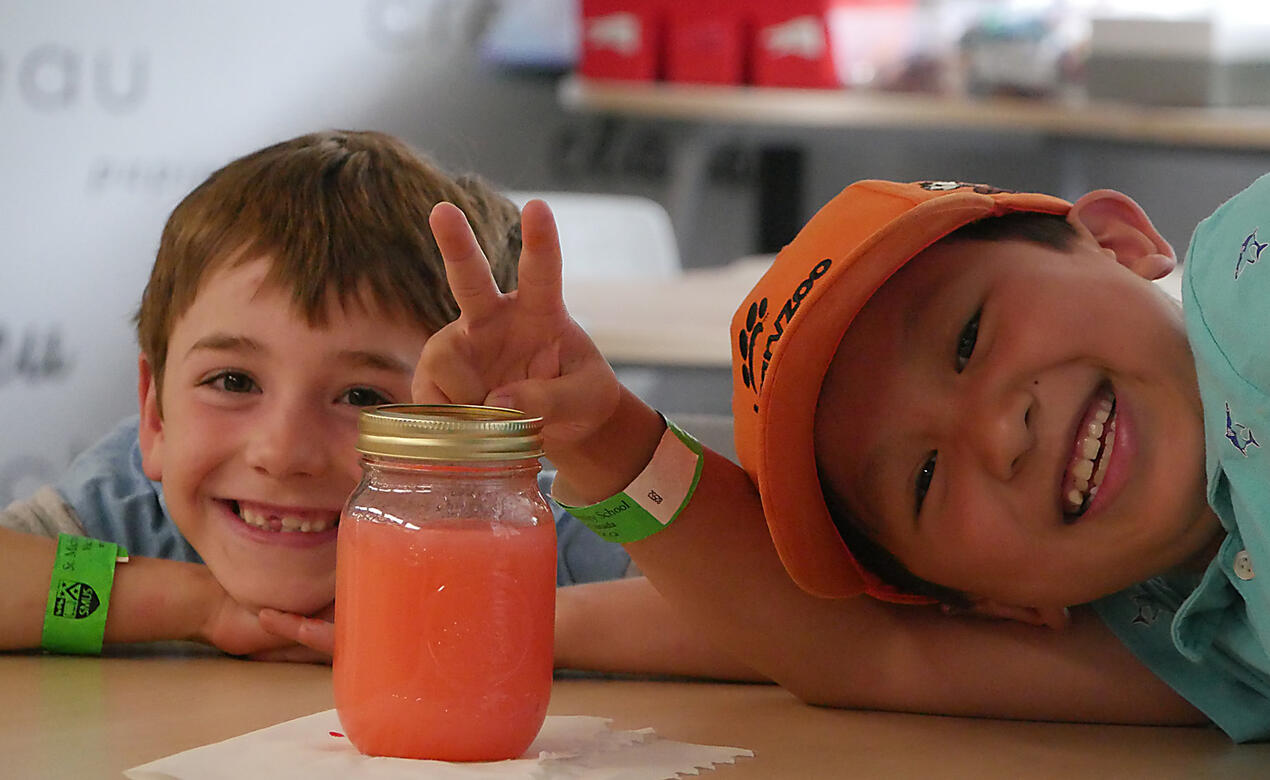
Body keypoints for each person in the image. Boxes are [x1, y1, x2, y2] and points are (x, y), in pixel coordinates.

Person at [400, 176, 1270, 741]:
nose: (998, 436)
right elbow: (854, 652)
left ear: (1118, 244)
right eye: (924, 480)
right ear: (1002, 607)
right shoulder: (1188, 636)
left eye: (969, 337)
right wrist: (597, 440)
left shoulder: (1248, 292)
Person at [0, 129, 632, 660]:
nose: (283, 452)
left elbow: (729, 625)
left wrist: (483, 624)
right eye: (233, 382)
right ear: (156, 417)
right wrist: (198, 606)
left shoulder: (521, 524)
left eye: (360, 396)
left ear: (480, 432)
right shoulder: (132, 508)